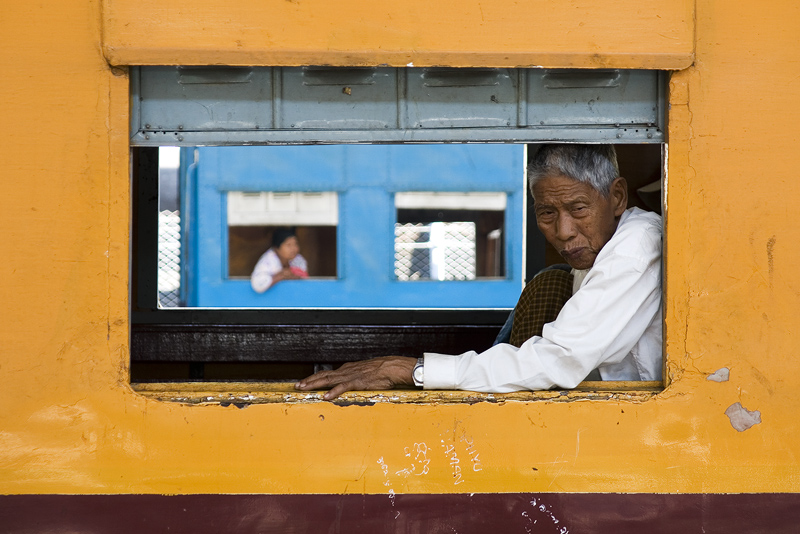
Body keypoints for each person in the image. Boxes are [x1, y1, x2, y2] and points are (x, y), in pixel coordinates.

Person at [296, 144, 662, 400]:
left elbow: (557, 360)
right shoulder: (592, 256)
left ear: (616, 197)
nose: (563, 231)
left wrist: (411, 370)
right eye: (546, 213)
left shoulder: (636, 245)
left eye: (577, 208)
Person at [250, 227, 308, 293]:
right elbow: (258, 285)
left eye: (295, 244)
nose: (293, 248)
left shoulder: (298, 260)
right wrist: (280, 276)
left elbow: (304, 279)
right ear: (277, 248)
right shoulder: (267, 261)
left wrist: (293, 276)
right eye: (288, 245)